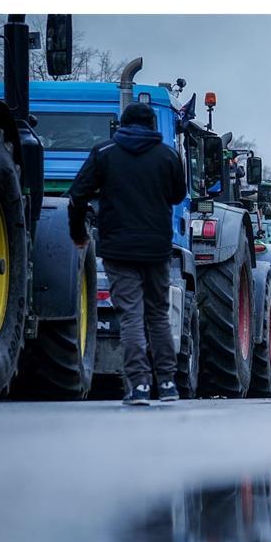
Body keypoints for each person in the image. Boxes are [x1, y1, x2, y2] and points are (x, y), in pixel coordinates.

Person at [69, 102, 186, 406]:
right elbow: (177, 195)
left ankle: (140, 386)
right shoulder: (169, 155)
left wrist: (78, 233)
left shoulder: (105, 153)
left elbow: (77, 195)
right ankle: (169, 383)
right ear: (152, 125)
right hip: (157, 248)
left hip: (118, 249)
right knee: (158, 314)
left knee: (131, 316)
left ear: (122, 123)